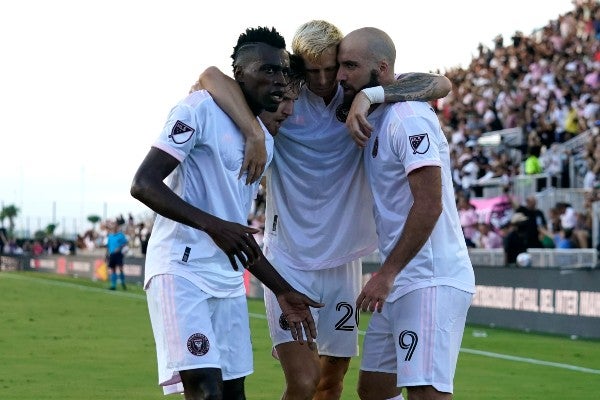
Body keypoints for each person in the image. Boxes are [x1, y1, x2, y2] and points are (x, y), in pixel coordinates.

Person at [194, 20, 452, 400]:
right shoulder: (283, 95)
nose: (323, 79)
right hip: (288, 259)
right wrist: (252, 131)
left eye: (331, 68)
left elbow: (440, 84)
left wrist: (368, 97)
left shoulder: (361, 92)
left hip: (343, 263)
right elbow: (211, 76)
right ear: (298, 65)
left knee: (331, 384)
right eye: (312, 70)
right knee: (303, 382)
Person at [130, 27, 322, 400]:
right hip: (181, 270)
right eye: (266, 71)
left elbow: (236, 232)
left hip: (228, 281)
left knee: (234, 394)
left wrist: (282, 290)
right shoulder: (200, 108)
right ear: (240, 75)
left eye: (281, 72)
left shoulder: (264, 142)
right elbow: (144, 183)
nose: (278, 81)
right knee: (206, 390)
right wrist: (211, 225)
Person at [336, 27, 475, 400]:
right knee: (376, 390)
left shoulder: (408, 116)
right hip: (401, 279)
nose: (340, 76)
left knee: (426, 392)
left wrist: (387, 273)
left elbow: (429, 204)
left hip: (429, 276)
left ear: (381, 69)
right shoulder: (375, 116)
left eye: (350, 66)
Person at [105, 219, 129, 290]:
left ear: (117, 227)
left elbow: (125, 243)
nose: (114, 227)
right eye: (113, 226)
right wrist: (106, 255)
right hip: (112, 255)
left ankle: (123, 282)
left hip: (118, 254)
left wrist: (119, 247)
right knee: (113, 269)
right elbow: (108, 246)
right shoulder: (110, 236)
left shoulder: (121, 235)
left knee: (121, 269)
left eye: (115, 226)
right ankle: (113, 285)